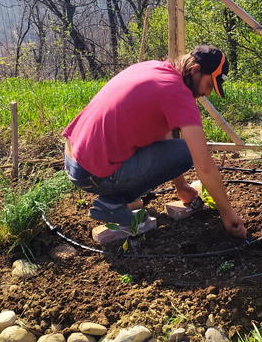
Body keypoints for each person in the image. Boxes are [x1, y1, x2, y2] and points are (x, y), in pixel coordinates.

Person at [62, 45, 247, 239]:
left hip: (74, 158)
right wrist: (228, 215)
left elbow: (163, 137)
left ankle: (119, 194)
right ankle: (112, 203)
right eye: (209, 85)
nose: (207, 93)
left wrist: (181, 185)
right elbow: (204, 165)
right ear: (195, 71)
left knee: (179, 151)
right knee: (187, 152)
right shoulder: (179, 94)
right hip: (93, 172)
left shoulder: (154, 69)